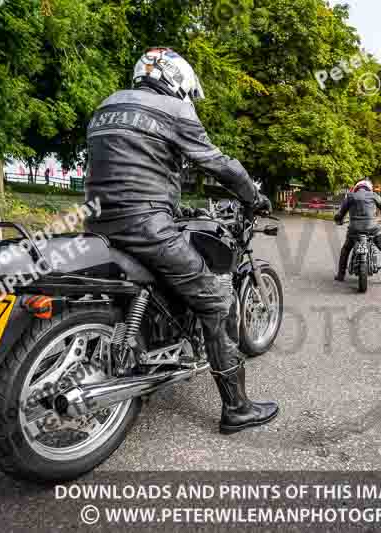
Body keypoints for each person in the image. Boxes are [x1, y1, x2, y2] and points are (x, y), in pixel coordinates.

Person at [83, 47, 278, 434]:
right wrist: (253, 196)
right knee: (214, 299)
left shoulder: (105, 107)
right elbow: (217, 163)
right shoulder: (174, 111)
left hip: (98, 225)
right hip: (145, 226)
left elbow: (131, 167)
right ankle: (237, 408)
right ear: (176, 79)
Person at [334, 179, 381, 286]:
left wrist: (339, 220)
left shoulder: (350, 196)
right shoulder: (374, 195)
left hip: (354, 230)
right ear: (369, 188)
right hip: (373, 229)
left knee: (345, 249)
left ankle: (340, 275)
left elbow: (340, 214)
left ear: (356, 188)